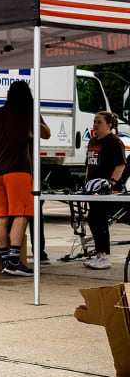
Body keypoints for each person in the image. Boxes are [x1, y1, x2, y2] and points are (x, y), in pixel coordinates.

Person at [0, 81, 50, 276]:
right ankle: (15, 261)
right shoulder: (29, 113)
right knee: (21, 213)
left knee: (0, 216)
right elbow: (47, 134)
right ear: (28, 96)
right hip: (19, 171)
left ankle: (5, 260)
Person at [82, 111, 126, 270]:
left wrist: (111, 183)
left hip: (107, 190)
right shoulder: (93, 140)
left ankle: (104, 256)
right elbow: (89, 164)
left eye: (99, 122)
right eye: (94, 121)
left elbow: (121, 165)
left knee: (98, 219)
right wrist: (87, 182)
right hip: (93, 189)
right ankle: (100, 254)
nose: (95, 124)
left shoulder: (114, 142)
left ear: (109, 124)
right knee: (93, 219)